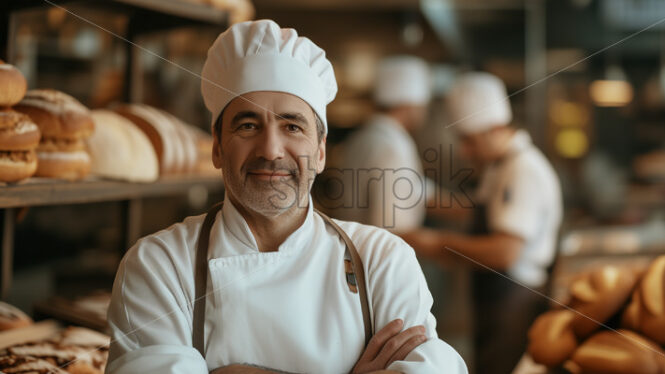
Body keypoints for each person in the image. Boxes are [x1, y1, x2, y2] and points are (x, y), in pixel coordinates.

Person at [105, 20, 466, 374]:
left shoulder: (382, 260)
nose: (272, 149)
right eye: (248, 125)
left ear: (321, 151)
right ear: (217, 147)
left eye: (292, 126)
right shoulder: (158, 266)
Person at [401, 72, 562, 373]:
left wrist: (432, 243)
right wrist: (415, 193)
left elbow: (504, 251)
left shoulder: (522, 170)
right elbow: (475, 210)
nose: (464, 151)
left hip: (516, 302)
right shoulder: (498, 167)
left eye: (470, 142)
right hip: (497, 298)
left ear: (495, 129)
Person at [330, 56, 431, 233]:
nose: (424, 111)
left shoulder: (360, 137)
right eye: (422, 105)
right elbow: (391, 226)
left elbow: (416, 189)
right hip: (377, 257)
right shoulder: (392, 147)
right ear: (409, 105)